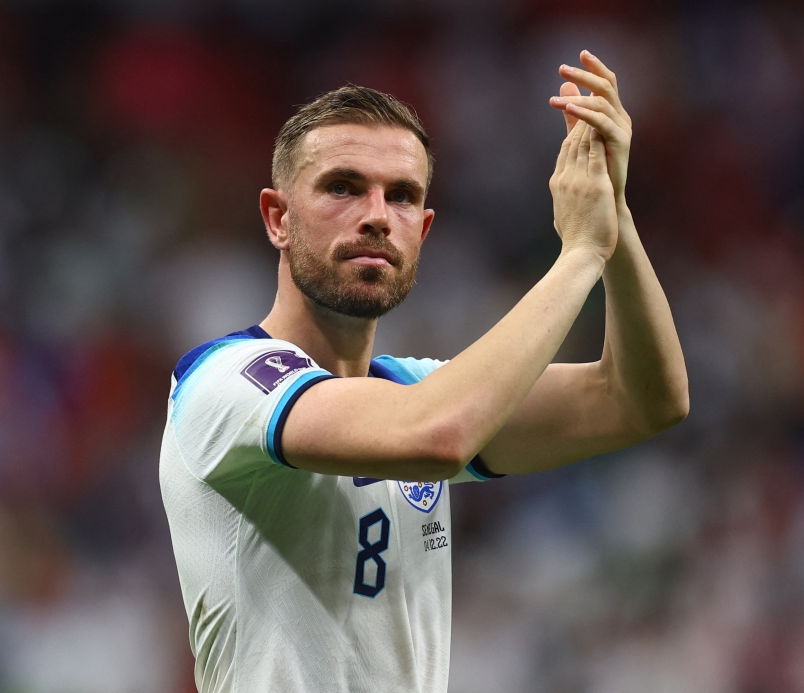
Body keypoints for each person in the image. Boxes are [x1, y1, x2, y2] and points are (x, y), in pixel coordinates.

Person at [160, 49, 688, 693]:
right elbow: (437, 436)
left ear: (423, 230)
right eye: (343, 187)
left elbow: (643, 399)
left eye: (402, 196)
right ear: (278, 218)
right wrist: (578, 253)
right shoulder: (227, 380)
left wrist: (614, 219)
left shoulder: (412, 389)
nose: (378, 214)